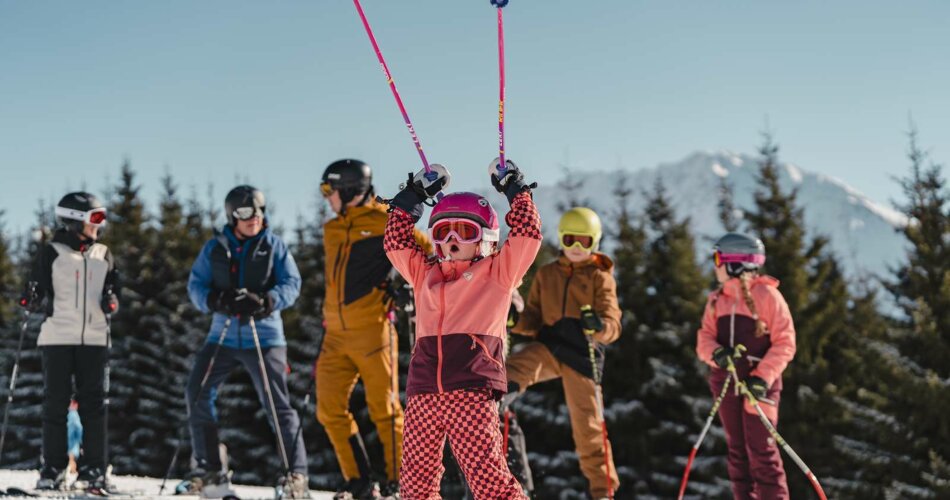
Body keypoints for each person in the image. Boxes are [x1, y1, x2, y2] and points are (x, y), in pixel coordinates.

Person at [384, 158, 540, 499]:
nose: (452, 240)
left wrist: (515, 190)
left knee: (488, 481)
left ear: (486, 239)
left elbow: (528, 235)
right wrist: (412, 197)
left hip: (471, 389)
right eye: (442, 232)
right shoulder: (424, 274)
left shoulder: (498, 274)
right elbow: (395, 243)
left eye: (464, 231)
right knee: (415, 486)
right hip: (423, 390)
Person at [316, 159, 431, 500]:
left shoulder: (384, 220)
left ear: (350, 189)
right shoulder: (331, 228)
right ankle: (360, 483)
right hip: (335, 335)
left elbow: (426, 252)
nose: (326, 197)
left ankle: (401, 486)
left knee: (385, 410)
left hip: (373, 329)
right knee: (329, 408)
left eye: (329, 190)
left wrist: (404, 283)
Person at [184, 185, 309, 498]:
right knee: (197, 392)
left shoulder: (273, 245)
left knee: (276, 403)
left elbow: (292, 283)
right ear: (232, 215)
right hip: (222, 334)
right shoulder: (215, 248)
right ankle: (209, 468)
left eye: (258, 210)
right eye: (245, 212)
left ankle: (295, 475)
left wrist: (267, 301)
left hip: (264, 336)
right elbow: (196, 285)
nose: (254, 217)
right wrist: (215, 299)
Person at [505, 207, 621, 499]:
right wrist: (515, 320)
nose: (577, 248)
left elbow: (613, 324)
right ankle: (494, 401)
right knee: (514, 367)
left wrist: (599, 326)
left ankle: (602, 491)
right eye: (570, 240)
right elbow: (533, 317)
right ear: (561, 240)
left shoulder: (599, 276)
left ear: (595, 241)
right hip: (550, 346)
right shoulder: (547, 273)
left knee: (589, 428)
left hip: (582, 355)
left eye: (584, 241)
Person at [19, 192, 119, 492]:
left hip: (96, 339)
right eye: (96, 218)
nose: (100, 225)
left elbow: (115, 288)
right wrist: (31, 296)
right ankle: (53, 469)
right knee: (56, 405)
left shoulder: (104, 254)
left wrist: (112, 299)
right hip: (58, 336)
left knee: (94, 406)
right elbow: (34, 286)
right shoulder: (52, 252)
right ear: (76, 219)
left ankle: (94, 472)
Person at [696, 233, 796, 499]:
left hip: (758, 386)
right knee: (737, 453)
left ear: (735, 263)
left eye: (718, 258)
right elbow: (703, 338)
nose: (714, 265)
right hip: (727, 383)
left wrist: (762, 378)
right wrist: (717, 354)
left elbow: (785, 342)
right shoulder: (717, 299)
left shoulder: (767, 295)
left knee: (762, 453)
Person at [67, 400, 83, 475]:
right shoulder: (73, 414)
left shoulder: (64, 413)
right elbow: (78, 428)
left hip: (67, 441)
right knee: (71, 457)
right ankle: (72, 471)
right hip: (72, 442)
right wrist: (81, 440)